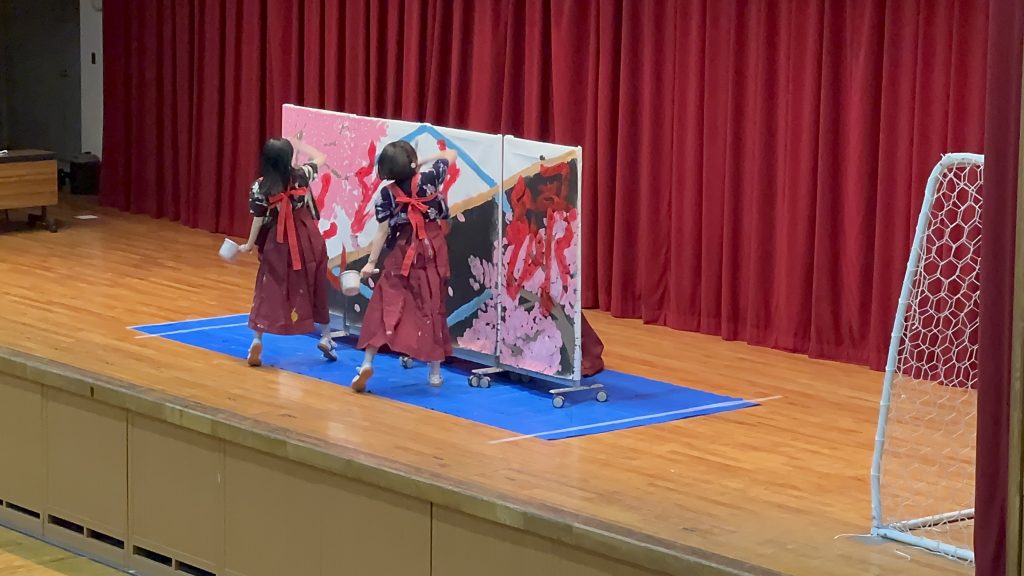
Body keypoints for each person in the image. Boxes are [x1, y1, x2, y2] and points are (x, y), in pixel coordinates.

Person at [351, 141, 457, 392]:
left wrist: (370, 263)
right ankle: (434, 373)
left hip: (403, 251)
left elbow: (381, 232)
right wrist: (421, 163)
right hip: (431, 250)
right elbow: (450, 154)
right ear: (412, 162)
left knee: (385, 302)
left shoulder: (386, 195)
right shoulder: (430, 178)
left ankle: (367, 363)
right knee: (431, 305)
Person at [240, 137, 335, 367]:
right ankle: (326, 336)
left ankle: (257, 339)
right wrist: (301, 145)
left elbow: (258, 219)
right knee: (315, 285)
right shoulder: (301, 175)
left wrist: (249, 245)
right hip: (308, 238)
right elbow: (321, 157)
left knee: (268, 287)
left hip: (279, 242)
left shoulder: (260, 187)